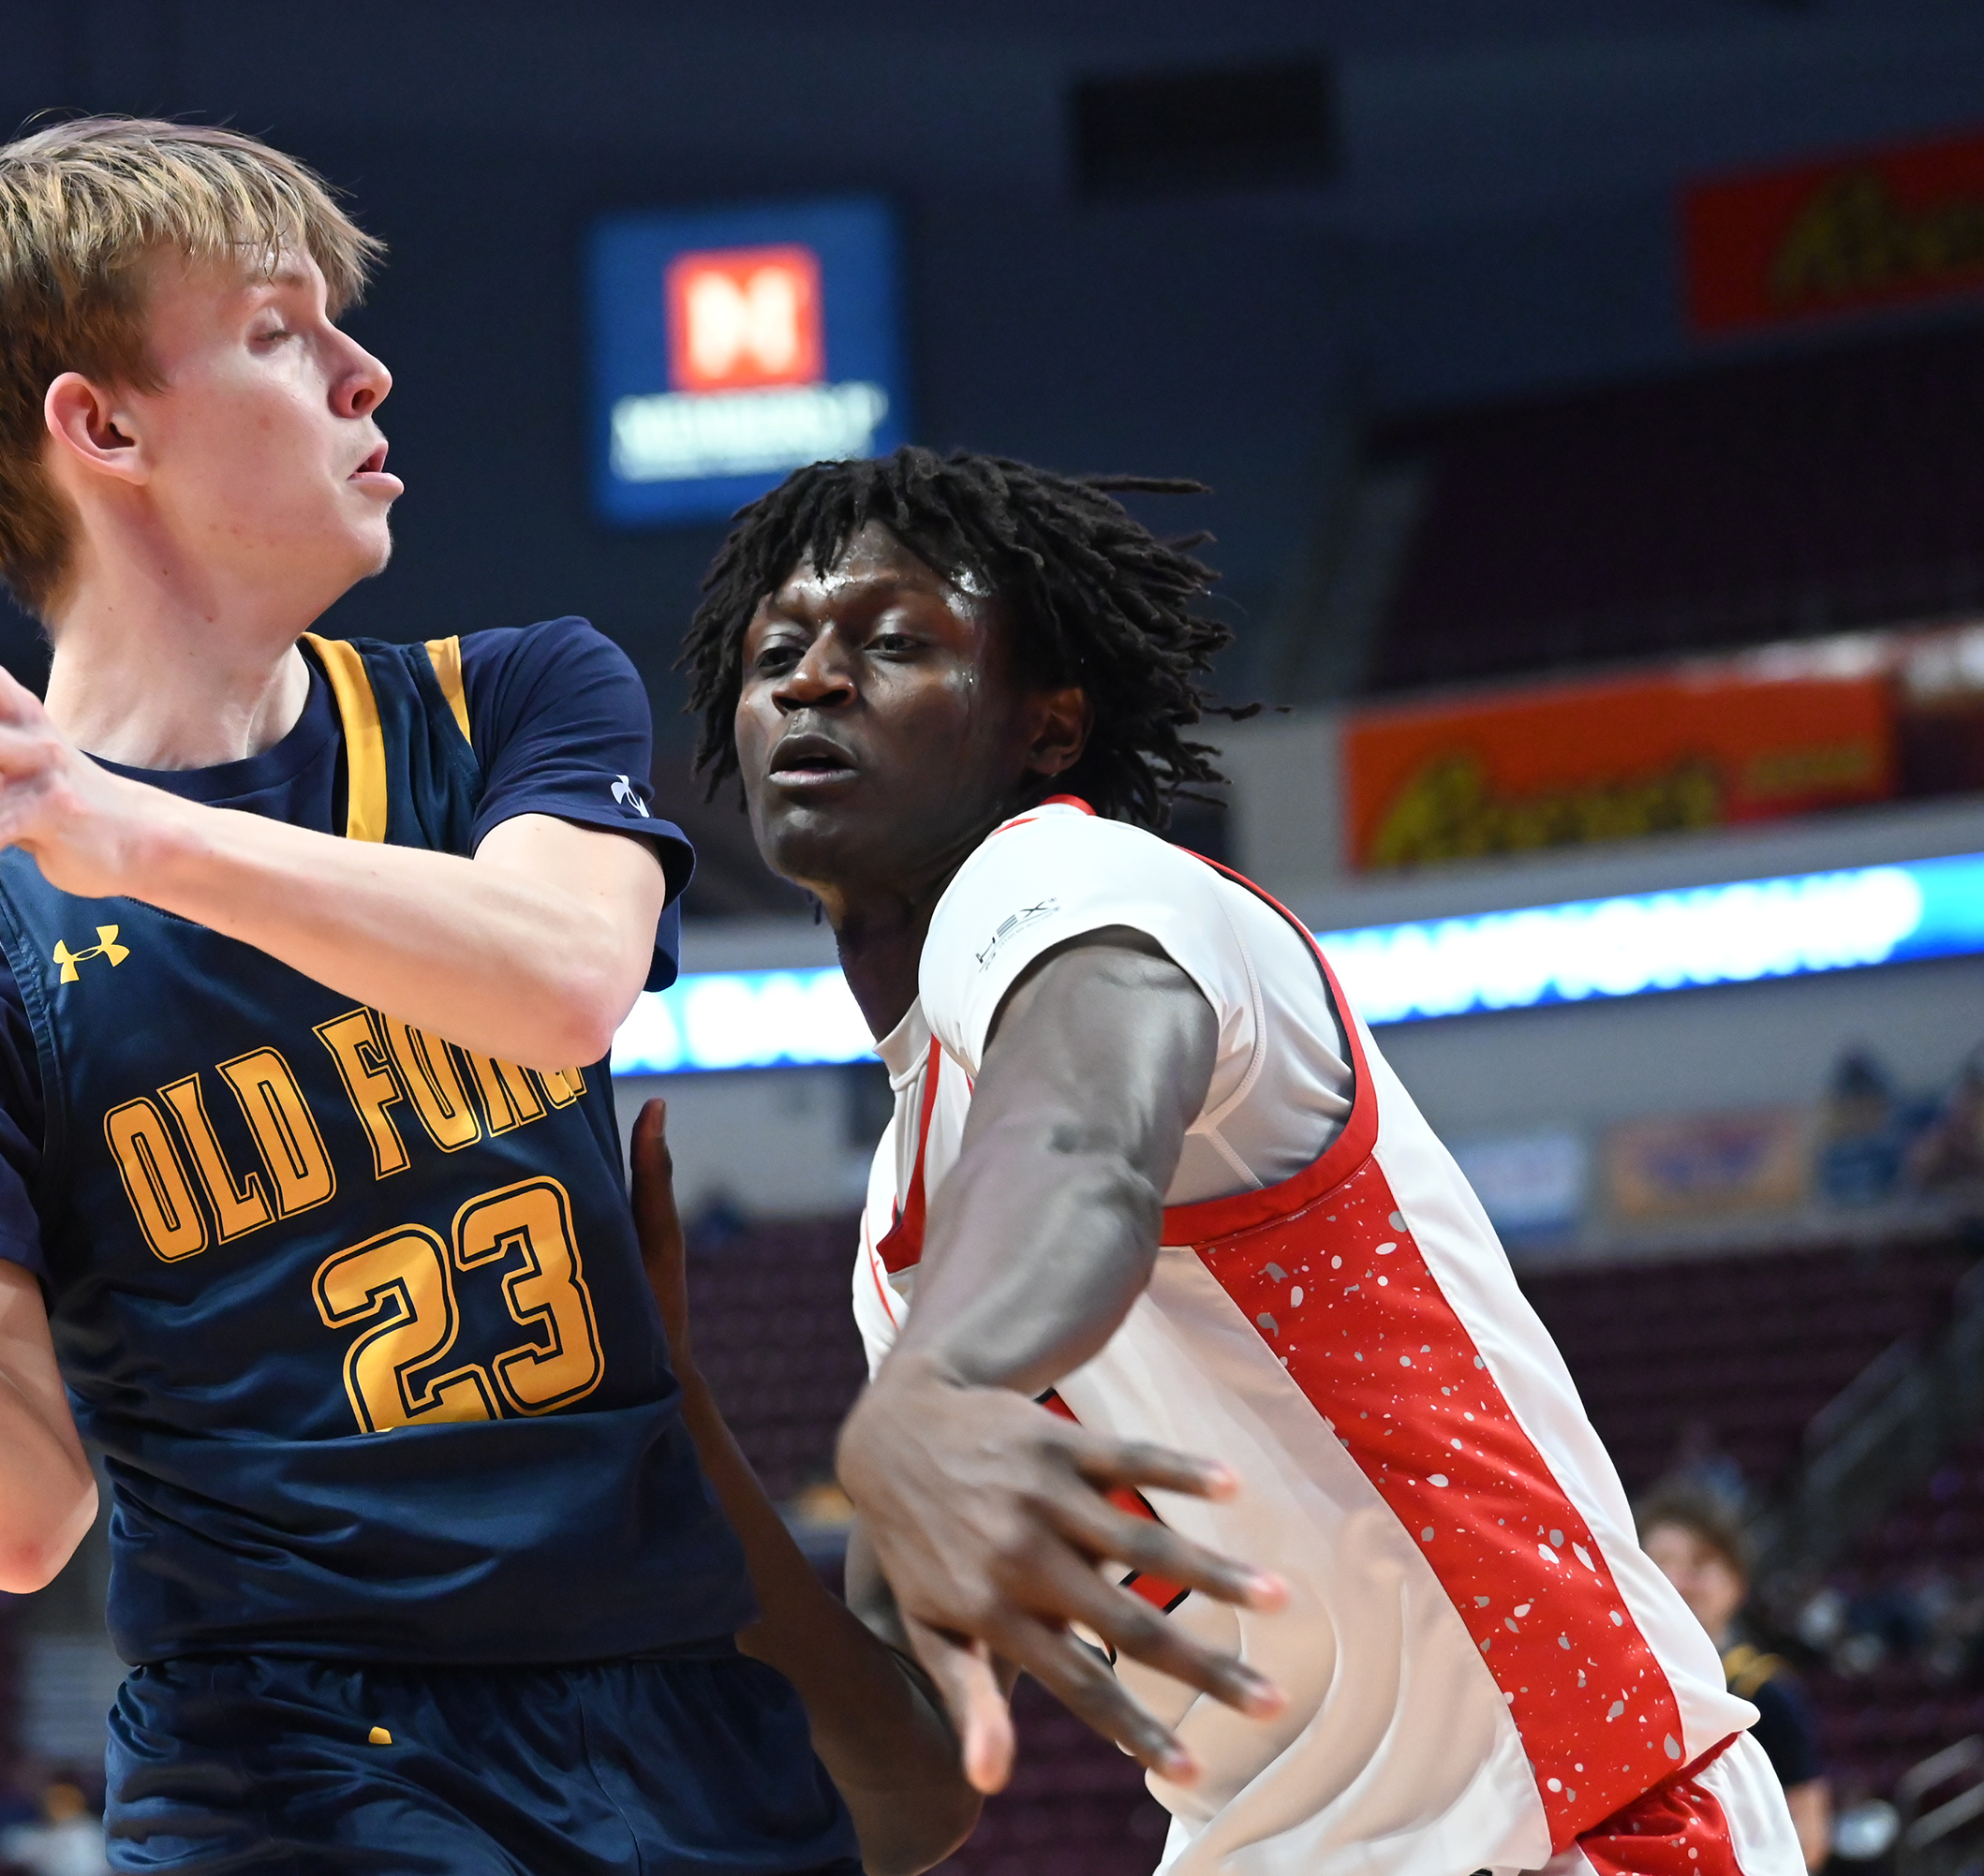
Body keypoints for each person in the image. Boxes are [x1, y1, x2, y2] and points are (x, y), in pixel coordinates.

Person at [0, 120, 1234, 1874]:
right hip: (284, 1750)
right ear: (102, 424)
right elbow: (4, 1505)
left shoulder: (511, 697)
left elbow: (565, 975)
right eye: (283, 332)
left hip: (670, 1693)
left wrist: (125, 828)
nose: (366, 373)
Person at [675, 444, 1809, 1874]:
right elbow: (907, 1787)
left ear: (1047, 724)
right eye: (780, 649)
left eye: (896, 641)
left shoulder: (1082, 885)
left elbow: (1080, 1136)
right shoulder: (906, 1234)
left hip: (1567, 1820)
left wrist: (940, 1384)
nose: (814, 680)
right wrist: (674, 1430)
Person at [1639, 1487, 1833, 1869]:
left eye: (1698, 1564)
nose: (1677, 1582)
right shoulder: (1607, 1691)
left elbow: (1810, 1832)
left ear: (1737, 1583)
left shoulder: (1767, 1694)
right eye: (1659, 1563)